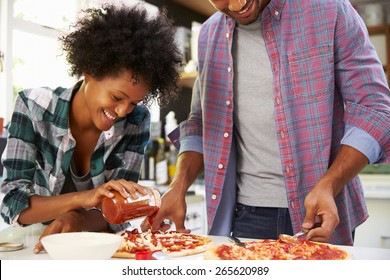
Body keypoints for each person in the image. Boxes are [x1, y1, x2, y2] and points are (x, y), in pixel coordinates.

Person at [147, 0, 390, 245]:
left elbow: (375, 109)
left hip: (321, 213)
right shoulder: (209, 35)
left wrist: (330, 184)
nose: (236, 4)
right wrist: (178, 186)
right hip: (244, 216)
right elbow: (201, 124)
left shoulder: (329, 9)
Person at [0, 3, 182, 253]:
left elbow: (123, 210)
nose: (121, 112)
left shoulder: (136, 121)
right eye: (117, 97)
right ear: (89, 71)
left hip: (96, 243)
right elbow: (11, 203)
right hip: (34, 242)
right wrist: (82, 199)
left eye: (133, 103)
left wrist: (79, 218)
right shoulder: (33, 107)